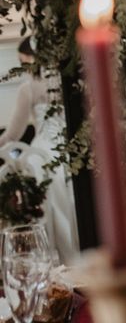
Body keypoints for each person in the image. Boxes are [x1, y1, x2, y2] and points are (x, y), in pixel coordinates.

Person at [0, 37, 79, 263]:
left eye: (22, 59)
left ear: (32, 56)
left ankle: (56, 260)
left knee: (49, 210)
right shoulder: (68, 79)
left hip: (43, 156)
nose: (21, 63)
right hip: (72, 153)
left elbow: (13, 134)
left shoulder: (29, 87)